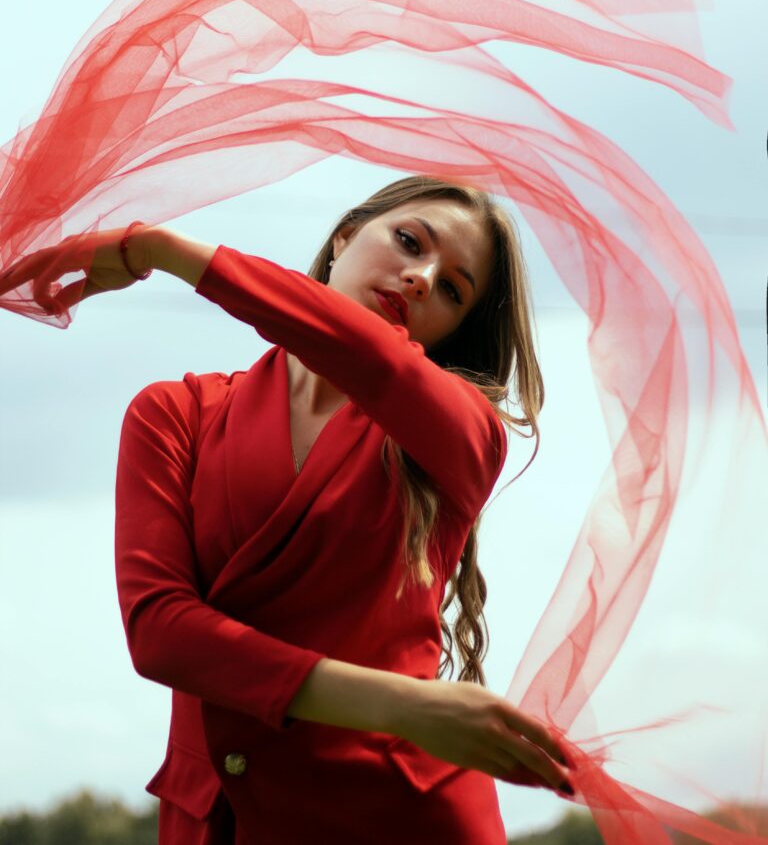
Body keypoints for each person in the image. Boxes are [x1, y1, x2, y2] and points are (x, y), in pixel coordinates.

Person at [1, 174, 576, 844]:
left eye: (452, 288)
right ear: (342, 237)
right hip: (224, 818)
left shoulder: (460, 437)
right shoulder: (174, 414)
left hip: (400, 815)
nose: (420, 277)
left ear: (454, 328)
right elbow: (160, 631)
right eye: (408, 240)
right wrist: (409, 706)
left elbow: (381, 365)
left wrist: (167, 252)